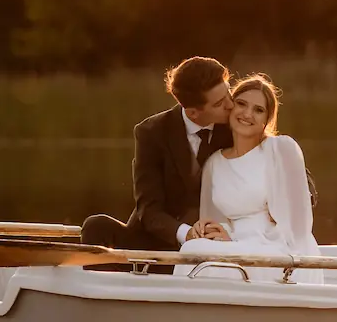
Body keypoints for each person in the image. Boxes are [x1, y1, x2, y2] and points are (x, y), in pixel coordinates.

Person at [81, 56, 234, 252]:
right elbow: (149, 209)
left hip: (212, 242)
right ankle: (107, 280)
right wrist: (186, 234)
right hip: (155, 243)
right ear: (193, 112)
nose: (230, 104)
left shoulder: (235, 127)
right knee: (96, 225)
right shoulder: (151, 132)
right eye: (220, 103)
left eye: (228, 92)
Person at [183, 74, 318, 256]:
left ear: (267, 119)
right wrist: (215, 231)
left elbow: (298, 224)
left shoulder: (280, 148)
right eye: (241, 104)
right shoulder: (214, 163)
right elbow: (215, 222)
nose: (247, 114)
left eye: (258, 110)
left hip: (277, 246)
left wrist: (288, 256)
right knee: (192, 249)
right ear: (230, 107)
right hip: (235, 244)